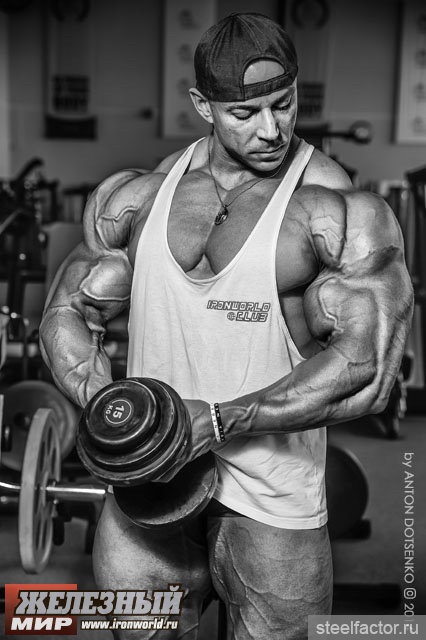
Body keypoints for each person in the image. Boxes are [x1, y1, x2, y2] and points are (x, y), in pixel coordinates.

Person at [40, 12, 413, 640]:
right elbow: (67, 310)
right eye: (245, 113)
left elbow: (368, 370)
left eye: (283, 104)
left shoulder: (332, 206)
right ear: (202, 106)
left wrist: (220, 420)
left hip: (271, 496)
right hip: (148, 486)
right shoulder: (142, 195)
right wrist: (114, 414)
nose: (271, 129)